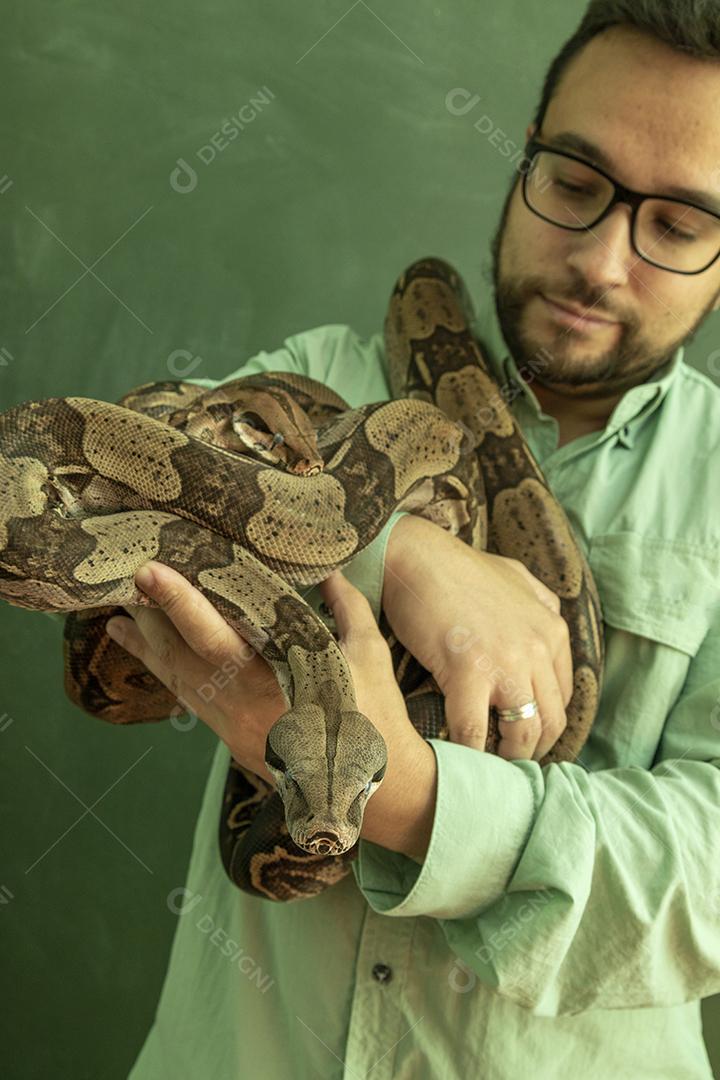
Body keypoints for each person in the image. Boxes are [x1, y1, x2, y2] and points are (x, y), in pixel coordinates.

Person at [121, 3, 720, 1077]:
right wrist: (390, 548)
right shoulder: (321, 376)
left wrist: (403, 795)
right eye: (574, 183)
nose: (602, 261)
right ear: (522, 151)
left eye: (677, 225)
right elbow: (92, 478)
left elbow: (705, 882)